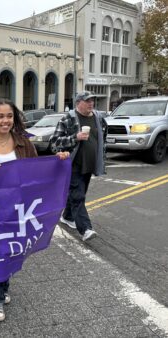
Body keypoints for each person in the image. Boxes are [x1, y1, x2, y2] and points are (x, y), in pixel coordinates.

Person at [0, 99, 69, 322]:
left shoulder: (23, 144)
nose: (5, 120)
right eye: (0, 116)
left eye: (9, 116)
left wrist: (58, 161)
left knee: (11, 250)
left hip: (17, 209)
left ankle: (2, 286)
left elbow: (37, 172)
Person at [52, 91, 107, 242]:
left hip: (89, 165)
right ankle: (86, 229)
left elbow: (103, 136)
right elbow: (54, 142)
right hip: (73, 165)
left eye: (92, 101)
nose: (91, 104)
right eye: (87, 101)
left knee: (77, 195)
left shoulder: (98, 117)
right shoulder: (68, 118)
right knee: (78, 195)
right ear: (78, 103)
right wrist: (74, 138)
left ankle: (67, 216)